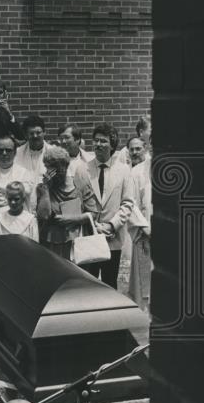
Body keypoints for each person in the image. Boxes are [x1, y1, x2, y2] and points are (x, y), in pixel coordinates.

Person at [82, 123, 134, 288]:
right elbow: (77, 202)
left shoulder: (124, 170)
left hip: (113, 238)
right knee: (88, 285)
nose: (97, 144)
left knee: (110, 285)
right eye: (96, 140)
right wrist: (92, 224)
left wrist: (111, 226)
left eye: (103, 141)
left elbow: (127, 203)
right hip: (89, 236)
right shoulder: (82, 169)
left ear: (112, 145)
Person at [36, 146, 98, 260]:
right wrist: (45, 189)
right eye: (48, 168)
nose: (52, 173)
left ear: (65, 166)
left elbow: (94, 213)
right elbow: (43, 216)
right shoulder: (43, 188)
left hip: (76, 244)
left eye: (56, 168)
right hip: (51, 244)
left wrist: (71, 219)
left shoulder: (80, 185)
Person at [0, 134, 35, 211]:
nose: (4, 153)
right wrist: (13, 193)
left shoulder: (24, 173)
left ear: (15, 152)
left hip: (18, 218)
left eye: (8, 150)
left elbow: (26, 192)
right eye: (0, 150)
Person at [128, 151, 152, 312]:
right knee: (145, 286)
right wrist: (145, 227)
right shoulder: (137, 172)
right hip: (145, 232)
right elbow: (130, 202)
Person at [15, 114, 54, 184]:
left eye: (38, 132)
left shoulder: (54, 153)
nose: (35, 136)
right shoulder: (17, 153)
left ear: (44, 132)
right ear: (25, 135)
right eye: (31, 133)